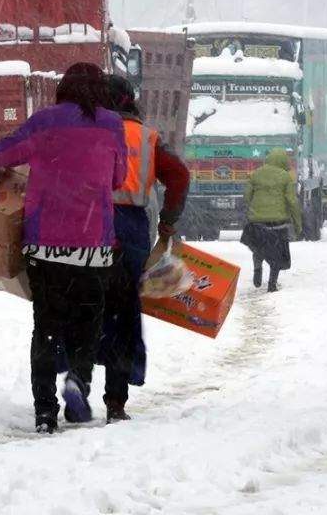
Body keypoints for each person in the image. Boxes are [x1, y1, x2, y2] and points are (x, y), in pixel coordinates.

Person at [0, 62, 126, 434]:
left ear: (64, 88)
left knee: (45, 325)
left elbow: (3, 152)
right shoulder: (111, 124)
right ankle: (78, 380)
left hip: (45, 245)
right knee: (89, 322)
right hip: (93, 244)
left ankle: (45, 411)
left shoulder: (46, 121)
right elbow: (118, 178)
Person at [98, 74, 189, 423]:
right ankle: (115, 401)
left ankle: (73, 381)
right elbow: (179, 175)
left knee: (80, 305)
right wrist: (167, 222)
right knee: (122, 313)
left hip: (84, 225)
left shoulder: (83, 134)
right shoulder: (147, 138)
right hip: (130, 230)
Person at [241, 148, 302, 292]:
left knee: (258, 247)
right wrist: (297, 224)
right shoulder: (285, 177)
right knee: (277, 254)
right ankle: (272, 283)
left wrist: (253, 210)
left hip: (257, 222)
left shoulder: (256, 174)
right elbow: (292, 202)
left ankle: (257, 267)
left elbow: (247, 196)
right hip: (278, 223)